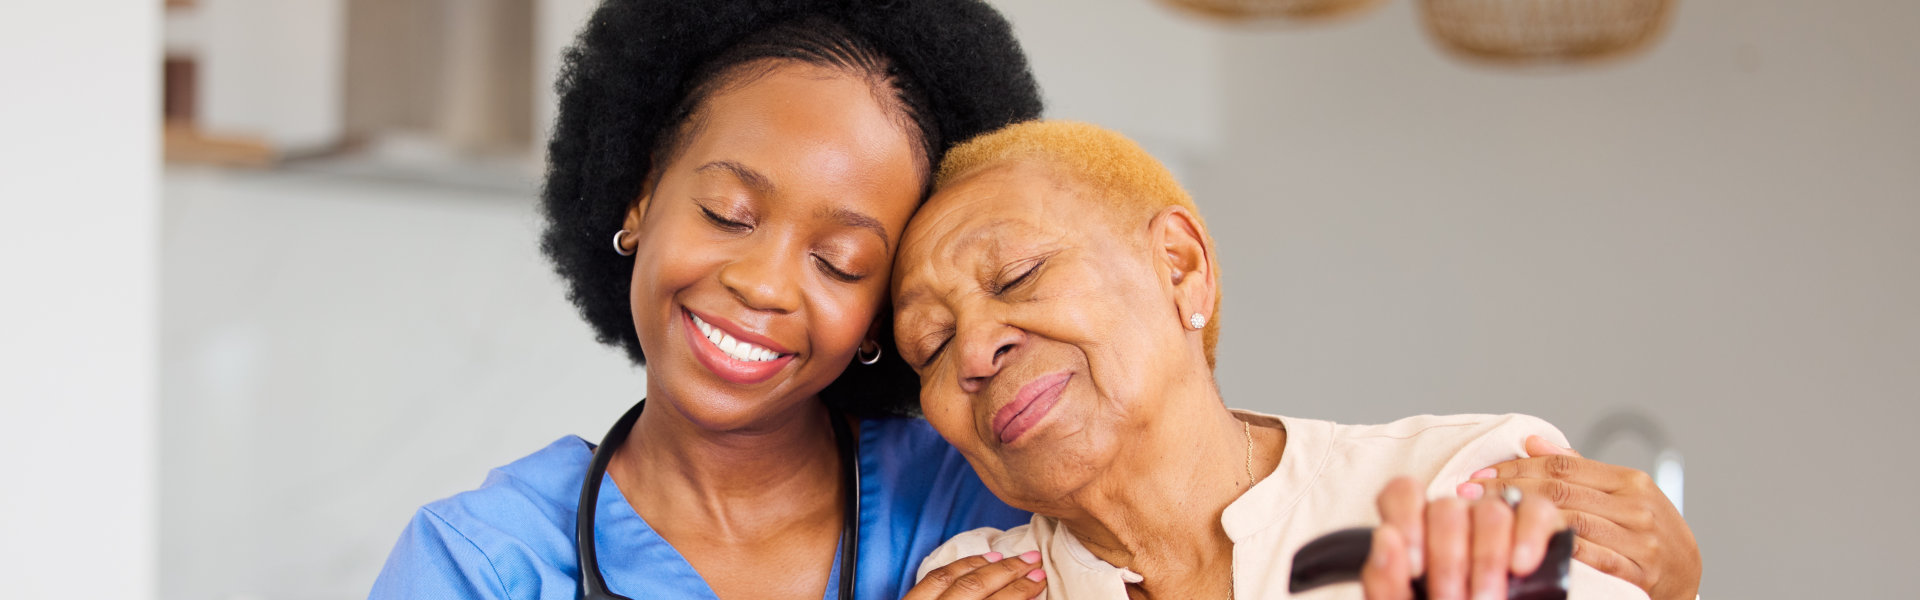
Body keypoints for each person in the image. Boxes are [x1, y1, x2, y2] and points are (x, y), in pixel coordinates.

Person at [368, 2, 1046, 599]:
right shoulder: (480, 564)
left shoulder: (990, 500)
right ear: (640, 199)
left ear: (882, 312)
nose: (764, 284)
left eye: (840, 263)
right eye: (727, 213)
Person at [890, 121, 1701, 600]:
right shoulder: (972, 578)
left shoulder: (1465, 482)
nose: (975, 348)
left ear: (1180, 267)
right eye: (928, 343)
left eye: (1018, 275)